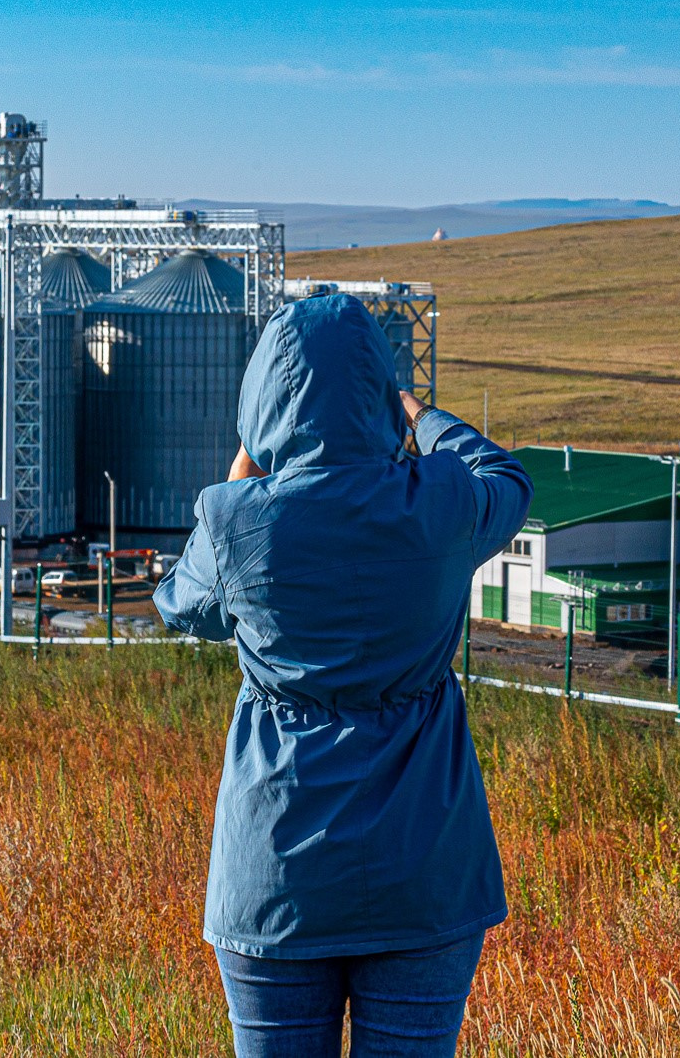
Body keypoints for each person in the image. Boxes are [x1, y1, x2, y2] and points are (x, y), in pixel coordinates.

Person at [155, 293, 532, 1058]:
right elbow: (507, 479)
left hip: (275, 874)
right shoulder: (444, 502)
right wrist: (422, 418)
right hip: (424, 870)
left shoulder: (237, 521)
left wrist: (246, 468)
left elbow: (179, 604)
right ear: (378, 398)